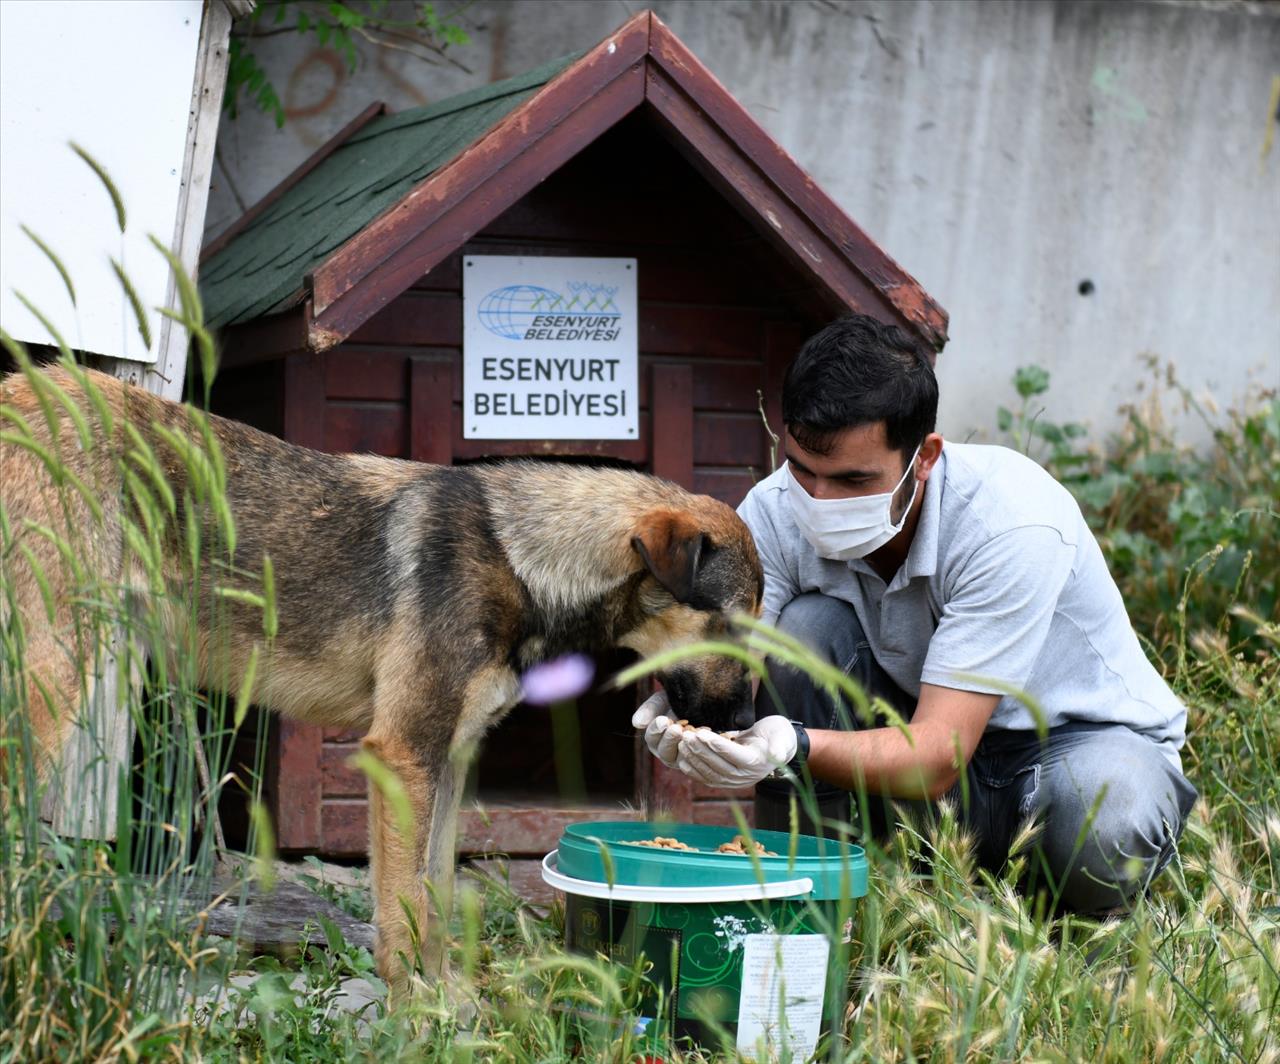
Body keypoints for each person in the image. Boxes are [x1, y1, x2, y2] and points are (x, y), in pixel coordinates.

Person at [634, 315, 1197, 915]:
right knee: (803, 634)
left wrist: (787, 745)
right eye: (801, 468)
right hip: (918, 745)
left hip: (1069, 748)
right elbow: (739, 664)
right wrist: (693, 706)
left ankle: (1070, 930)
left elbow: (936, 756)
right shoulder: (775, 512)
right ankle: (815, 907)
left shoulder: (1009, 521)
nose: (818, 501)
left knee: (1106, 813)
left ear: (924, 457)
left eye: (853, 479)